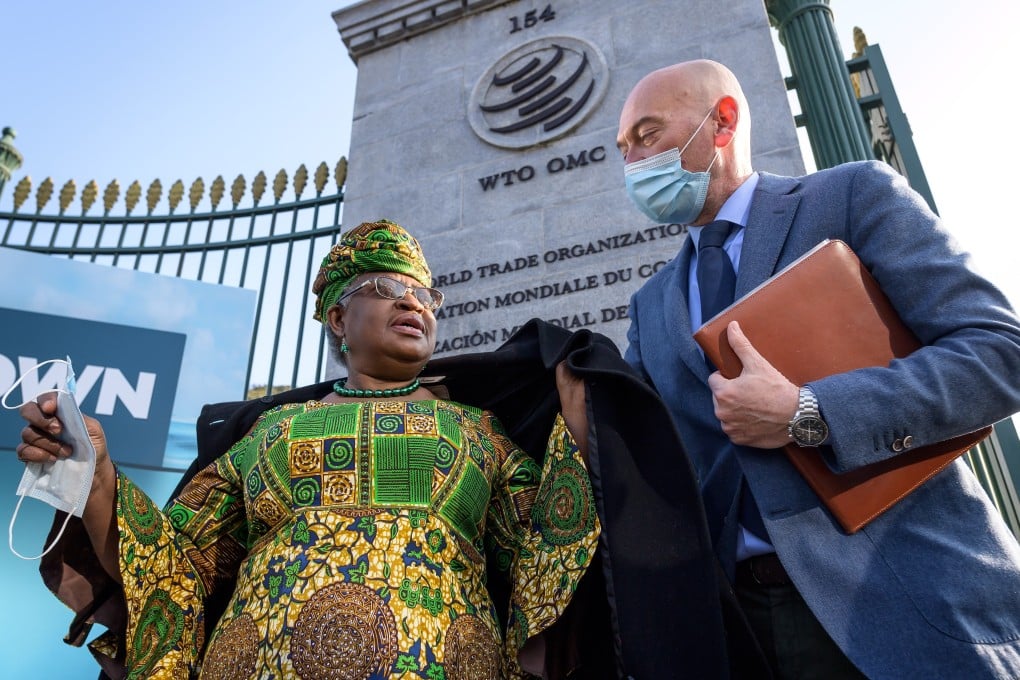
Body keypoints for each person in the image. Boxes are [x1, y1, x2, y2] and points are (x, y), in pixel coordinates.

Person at [16, 220, 602, 679]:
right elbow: (177, 573)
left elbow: (543, 566)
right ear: (337, 318)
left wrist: (576, 436)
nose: (414, 304)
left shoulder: (480, 432)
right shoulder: (270, 431)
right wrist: (94, 479)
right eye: (388, 288)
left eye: (426, 295)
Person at [616, 59, 1020, 679]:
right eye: (623, 150)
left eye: (647, 135)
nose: (634, 163)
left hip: (906, 608)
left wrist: (809, 413)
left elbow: (998, 351)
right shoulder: (650, 306)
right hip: (742, 631)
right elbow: (638, 452)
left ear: (722, 123)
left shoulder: (853, 197)